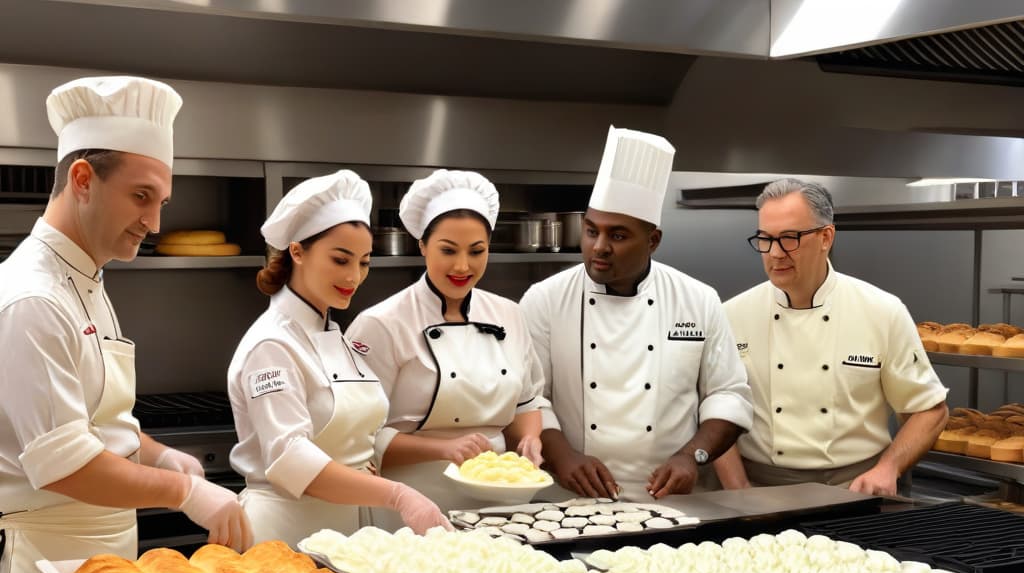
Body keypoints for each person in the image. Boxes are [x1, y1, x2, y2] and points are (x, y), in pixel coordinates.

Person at [0, 75, 252, 573]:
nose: (154, 223)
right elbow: (65, 464)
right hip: (39, 559)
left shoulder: (87, 277)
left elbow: (99, 426)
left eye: (161, 203)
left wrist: (160, 457)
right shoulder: (33, 298)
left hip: (98, 552)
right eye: (141, 196)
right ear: (82, 180)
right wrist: (184, 491)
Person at [520, 126, 753, 502]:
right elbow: (530, 398)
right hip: (571, 501)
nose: (599, 247)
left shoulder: (697, 299)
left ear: (653, 241)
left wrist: (691, 456)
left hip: (674, 501)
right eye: (591, 231)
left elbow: (728, 394)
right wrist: (563, 459)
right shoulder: (544, 300)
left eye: (618, 235)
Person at [227, 170, 451, 546]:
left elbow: (355, 433)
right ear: (297, 251)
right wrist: (397, 494)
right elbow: (291, 460)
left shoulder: (335, 334)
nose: (354, 276)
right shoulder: (272, 345)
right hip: (284, 532)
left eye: (364, 262)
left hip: (345, 533)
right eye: (340, 259)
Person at [713, 178, 949, 495]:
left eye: (790, 238)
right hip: (760, 490)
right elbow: (714, 410)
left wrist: (888, 468)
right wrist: (738, 488)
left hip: (853, 491)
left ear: (826, 237)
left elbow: (929, 410)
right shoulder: (731, 316)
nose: (776, 253)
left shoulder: (882, 311)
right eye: (766, 240)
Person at [346, 169, 547, 518]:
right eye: (448, 250)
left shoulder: (509, 315)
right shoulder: (382, 323)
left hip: (501, 501)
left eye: (477, 251)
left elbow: (527, 403)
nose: (462, 266)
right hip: (411, 500)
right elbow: (356, 438)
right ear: (422, 245)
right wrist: (443, 448)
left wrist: (531, 439)